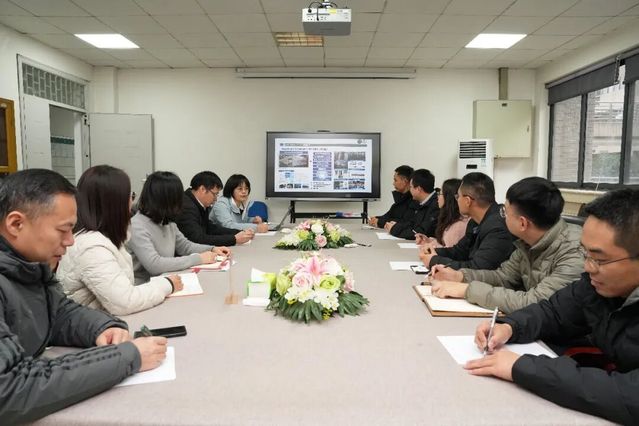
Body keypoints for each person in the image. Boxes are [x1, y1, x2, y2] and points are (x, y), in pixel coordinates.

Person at [0, 169, 167, 423]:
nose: (70, 241)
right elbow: (10, 389)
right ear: (16, 224)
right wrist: (126, 357)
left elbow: (59, 312)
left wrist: (102, 327)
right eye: (63, 230)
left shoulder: (30, 266)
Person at [465, 188, 639, 425]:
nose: (588, 267)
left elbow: (630, 394)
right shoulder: (596, 285)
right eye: (585, 254)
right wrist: (509, 327)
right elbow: (555, 312)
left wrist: (522, 367)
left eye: (599, 259)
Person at [429, 177, 584, 313]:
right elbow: (503, 277)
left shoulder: (574, 252)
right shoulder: (527, 243)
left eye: (505, 212)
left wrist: (468, 290)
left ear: (522, 223)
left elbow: (535, 302)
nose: (502, 216)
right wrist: (461, 276)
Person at [57, 165, 185, 316]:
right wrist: (167, 284)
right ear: (116, 203)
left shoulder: (105, 236)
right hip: (94, 325)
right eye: (130, 195)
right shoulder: (91, 247)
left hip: (104, 320)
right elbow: (125, 302)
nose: (132, 201)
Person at [127, 171, 230, 284]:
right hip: (144, 287)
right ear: (165, 199)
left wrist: (211, 249)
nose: (181, 201)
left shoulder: (167, 222)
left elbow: (185, 246)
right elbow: (154, 265)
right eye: (177, 197)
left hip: (166, 282)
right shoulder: (137, 226)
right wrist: (198, 259)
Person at [419, 172, 515, 270]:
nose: (457, 200)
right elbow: (460, 251)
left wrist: (434, 260)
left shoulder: (497, 228)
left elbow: (477, 268)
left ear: (467, 201)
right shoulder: (475, 221)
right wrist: (433, 251)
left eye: (458, 196)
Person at [176, 171, 253, 246]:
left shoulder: (200, 203)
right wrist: (234, 239)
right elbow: (198, 239)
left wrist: (238, 232)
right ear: (202, 189)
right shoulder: (186, 206)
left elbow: (210, 228)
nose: (216, 199)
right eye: (215, 194)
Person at [384, 169, 440, 240]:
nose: (409, 190)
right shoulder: (423, 203)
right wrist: (396, 225)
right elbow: (412, 223)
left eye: (411, 187)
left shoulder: (436, 205)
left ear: (419, 189)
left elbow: (421, 232)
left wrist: (394, 229)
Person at [415, 178, 469, 248]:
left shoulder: (458, 225)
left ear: (448, 197)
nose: (437, 197)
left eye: (440, 193)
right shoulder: (451, 218)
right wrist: (429, 241)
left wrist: (430, 246)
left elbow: (448, 250)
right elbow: (444, 243)